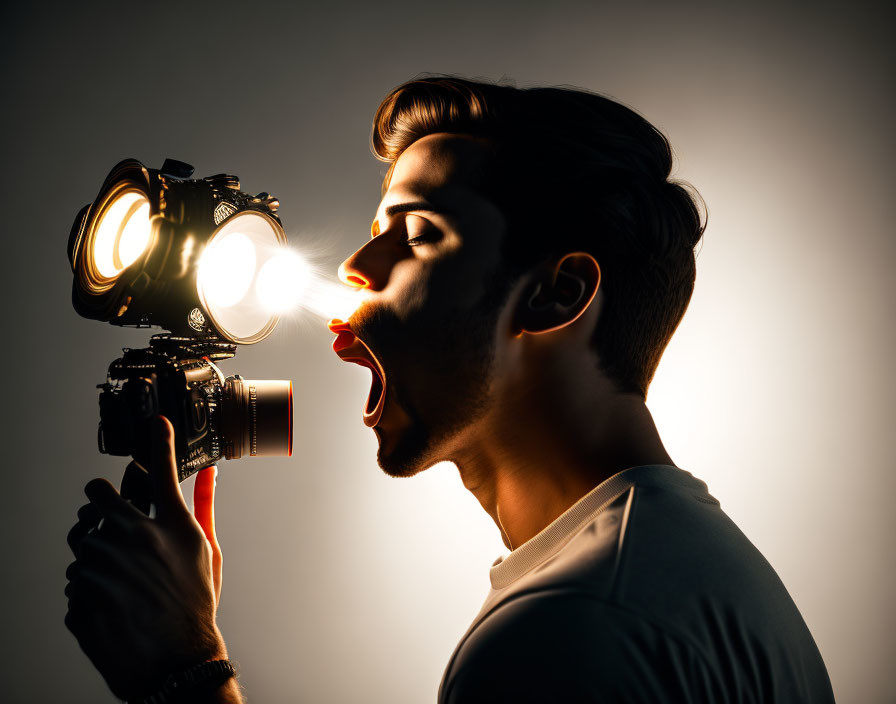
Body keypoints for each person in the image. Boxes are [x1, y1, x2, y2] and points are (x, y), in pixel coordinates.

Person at [65, 76, 835, 703]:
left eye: (419, 232)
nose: (353, 266)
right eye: (376, 228)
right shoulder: (699, 573)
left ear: (556, 294)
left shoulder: (565, 634)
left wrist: (186, 672)